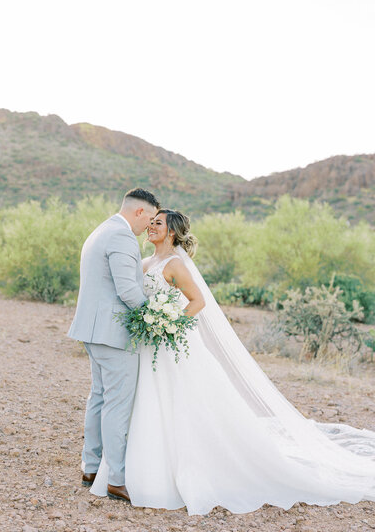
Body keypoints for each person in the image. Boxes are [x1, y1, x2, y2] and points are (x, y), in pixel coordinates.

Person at [89, 208, 375, 515]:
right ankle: (131, 472)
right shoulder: (145, 263)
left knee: (179, 405)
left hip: (170, 345)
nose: (150, 227)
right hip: (148, 347)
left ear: (171, 232)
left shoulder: (175, 264)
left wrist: (168, 322)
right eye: (151, 223)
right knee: (144, 404)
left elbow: (198, 302)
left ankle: (185, 470)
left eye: (157, 224)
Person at [68, 188, 159, 502]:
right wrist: (157, 318)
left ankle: (91, 468)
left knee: (99, 397)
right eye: (149, 218)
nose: (149, 226)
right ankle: (116, 479)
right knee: (117, 404)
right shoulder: (121, 236)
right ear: (138, 212)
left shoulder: (101, 229)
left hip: (94, 330)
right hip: (114, 332)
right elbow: (128, 290)